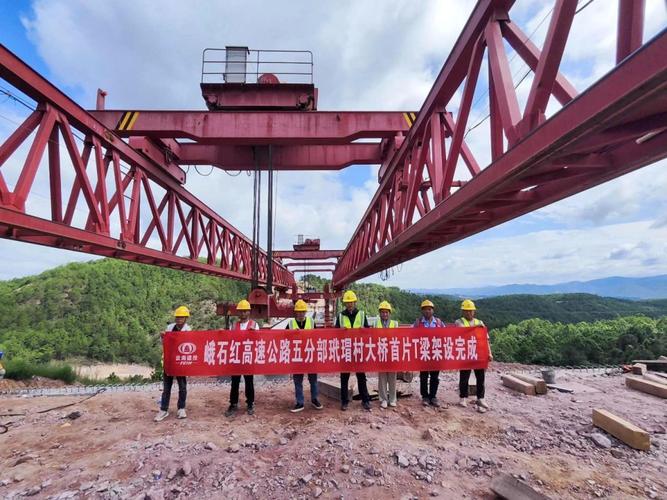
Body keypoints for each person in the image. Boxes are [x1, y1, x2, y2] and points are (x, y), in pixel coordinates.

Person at [335, 290, 371, 411]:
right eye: (347, 302)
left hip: (358, 349)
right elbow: (334, 334)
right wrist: (340, 330)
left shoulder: (361, 314)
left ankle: (365, 400)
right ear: (345, 303)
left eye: (351, 302)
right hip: (345, 350)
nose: (350, 304)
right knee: (344, 377)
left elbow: (368, 331)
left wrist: (363, 330)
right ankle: (344, 401)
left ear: (355, 302)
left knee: (361, 376)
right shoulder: (340, 316)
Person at [155, 306, 192, 422]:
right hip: (170, 361)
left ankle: (181, 408)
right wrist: (163, 337)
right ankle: (164, 409)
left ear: (186, 318)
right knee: (166, 387)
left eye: (181, 317)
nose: (179, 319)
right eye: (177, 317)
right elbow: (165, 343)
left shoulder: (188, 330)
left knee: (182, 386)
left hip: (181, 362)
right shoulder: (170, 328)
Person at [456, 299, 492, 413]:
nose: (469, 313)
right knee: (464, 377)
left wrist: (489, 352)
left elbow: (486, 339)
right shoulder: (459, 322)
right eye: (466, 311)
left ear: (474, 311)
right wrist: (476, 328)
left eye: (470, 311)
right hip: (466, 354)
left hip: (479, 354)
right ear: (463, 311)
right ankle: (463, 398)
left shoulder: (479, 322)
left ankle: (481, 398)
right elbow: (461, 331)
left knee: (480, 377)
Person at [287, 299, 324, 413]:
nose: (301, 313)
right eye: (299, 311)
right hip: (297, 356)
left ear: (305, 312)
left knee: (313, 379)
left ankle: (314, 399)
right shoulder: (291, 323)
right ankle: (300, 402)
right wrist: (293, 334)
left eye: (303, 311)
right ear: (295, 312)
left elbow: (317, 337)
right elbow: (285, 338)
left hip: (310, 355)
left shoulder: (311, 322)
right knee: (298, 380)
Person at [225, 299, 259, 417]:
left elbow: (260, 340)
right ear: (238, 313)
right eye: (241, 311)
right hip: (236, 357)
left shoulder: (254, 325)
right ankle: (233, 404)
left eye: (245, 311)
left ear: (249, 312)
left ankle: (250, 403)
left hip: (248, 358)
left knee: (249, 382)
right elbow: (228, 339)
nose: (243, 313)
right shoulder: (234, 325)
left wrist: (255, 333)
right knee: (234, 382)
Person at [413, 299, 445, 407]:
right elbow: (410, 335)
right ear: (422, 311)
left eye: (429, 309)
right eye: (425, 309)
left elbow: (447, 335)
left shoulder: (439, 323)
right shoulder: (418, 323)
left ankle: (433, 396)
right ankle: (425, 397)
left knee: (435, 377)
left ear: (433, 310)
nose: (427, 311)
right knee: (424, 376)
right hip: (424, 353)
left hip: (436, 353)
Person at [375, 301, 399, 409]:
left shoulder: (395, 323)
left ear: (390, 313)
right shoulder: (376, 324)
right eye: (382, 312)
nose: (384, 314)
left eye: (386, 312)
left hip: (392, 353)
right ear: (380, 313)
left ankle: (392, 399)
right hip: (381, 353)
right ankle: (383, 399)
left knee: (392, 377)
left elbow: (399, 339)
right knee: (382, 377)